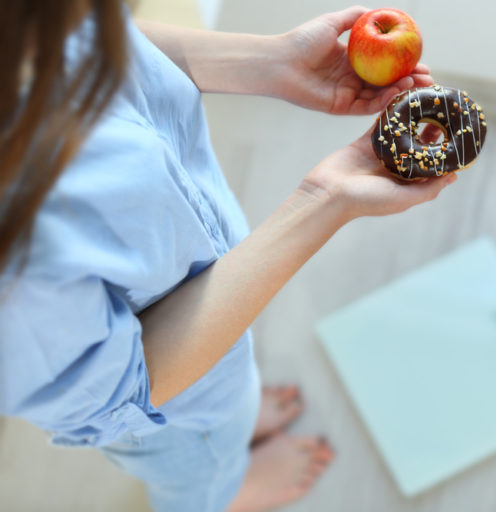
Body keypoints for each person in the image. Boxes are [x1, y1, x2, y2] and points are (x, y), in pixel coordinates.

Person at [0, 1, 456, 511]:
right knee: (202, 461)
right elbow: (122, 390)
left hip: (210, 328)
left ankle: (232, 419)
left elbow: (86, 36)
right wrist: (323, 202)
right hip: (176, 414)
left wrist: (272, 61)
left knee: (230, 396)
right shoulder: (16, 267)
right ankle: (227, 490)